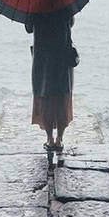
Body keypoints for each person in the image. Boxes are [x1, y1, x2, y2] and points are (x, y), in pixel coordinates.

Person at [25, 10, 75, 152]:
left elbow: (29, 28)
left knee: (45, 94)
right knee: (62, 96)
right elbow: (70, 22)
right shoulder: (65, 2)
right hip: (61, 54)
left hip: (43, 56)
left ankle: (49, 139)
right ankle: (59, 139)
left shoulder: (36, 4)